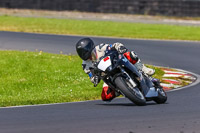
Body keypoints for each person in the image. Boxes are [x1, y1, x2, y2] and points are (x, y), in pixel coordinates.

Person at [76, 38, 155, 101]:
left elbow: (114, 45)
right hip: (107, 75)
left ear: (91, 48)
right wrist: (95, 79)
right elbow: (91, 77)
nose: (85, 55)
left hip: (116, 63)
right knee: (105, 96)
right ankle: (122, 89)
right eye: (82, 53)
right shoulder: (85, 65)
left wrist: (120, 47)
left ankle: (143, 69)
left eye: (86, 52)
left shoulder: (100, 47)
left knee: (130, 55)